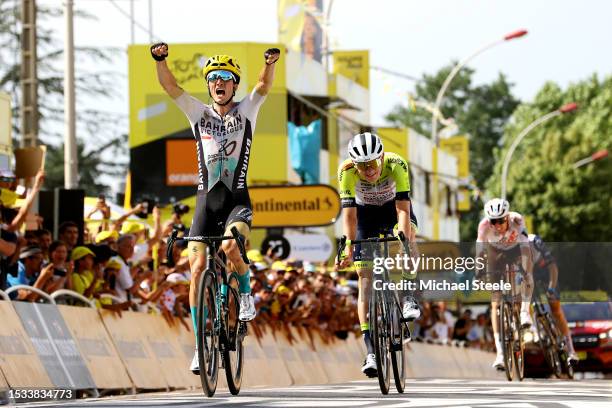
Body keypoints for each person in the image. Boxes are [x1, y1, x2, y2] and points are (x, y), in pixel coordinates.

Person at [151, 42, 280, 374]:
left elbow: (263, 86)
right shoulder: (199, 113)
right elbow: (170, 87)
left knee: (229, 247)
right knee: (195, 269)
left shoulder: (247, 110)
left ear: (234, 83)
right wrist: (160, 59)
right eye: (212, 77)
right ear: (208, 84)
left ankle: (247, 296)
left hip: (237, 201)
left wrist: (269, 62)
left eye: (225, 77)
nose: (218, 82)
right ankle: (199, 346)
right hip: (205, 202)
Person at [335, 132, 421, 377]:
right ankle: (371, 351)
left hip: (394, 210)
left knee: (408, 240)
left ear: (381, 158)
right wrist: (347, 247)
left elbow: (403, 209)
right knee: (364, 280)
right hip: (365, 216)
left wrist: (404, 240)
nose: (369, 170)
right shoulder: (346, 171)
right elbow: (350, 216)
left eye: (372, 164)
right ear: (354, 164)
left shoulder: (396, 164)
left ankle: (408, 297)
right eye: (363, 166)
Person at [476, 198, 533, 370]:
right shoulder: (484, 226)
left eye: (501, 220)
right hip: (496, 253)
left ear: (507, 217)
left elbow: (526, 247)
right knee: (495, 302)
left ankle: (524, 313)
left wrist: (525, 269)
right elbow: (480, 250)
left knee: (527, 273)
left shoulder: (517, 220)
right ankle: (500, 353)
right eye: (494, 221)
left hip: (516, 250)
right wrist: (478, 271)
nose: (498, 225)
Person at [528, 233, 578, 363]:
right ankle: (534, 329)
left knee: (555, 308)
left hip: (545, 272)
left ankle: (571, 350)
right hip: (528, 273)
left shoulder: (535, 241)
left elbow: (553, 267)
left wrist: (551, 288)